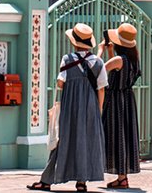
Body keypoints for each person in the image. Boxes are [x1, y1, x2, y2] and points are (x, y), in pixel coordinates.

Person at [29, 23, 107, 192]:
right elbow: (101, 89)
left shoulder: (67, 59)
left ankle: (47, 180)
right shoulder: (99, 63)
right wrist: (99, 110)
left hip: (70, 107)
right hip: (91, 107)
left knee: (61, 141)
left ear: (74, 42)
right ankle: (81, 182)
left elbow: (60, 83)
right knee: (85, 141)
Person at [99, 24, 142, 189]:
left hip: (115, 102)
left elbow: (100, 72)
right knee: (124, 136)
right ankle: (122, 177)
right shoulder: (133, 60)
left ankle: (122, 177)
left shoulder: (118, 60)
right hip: (127, 101)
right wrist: (111, 52)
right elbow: (117, 71)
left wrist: (101, 51)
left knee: (114, 135)